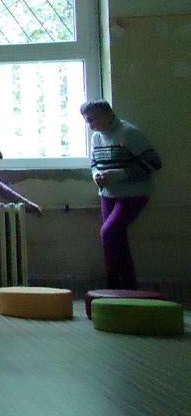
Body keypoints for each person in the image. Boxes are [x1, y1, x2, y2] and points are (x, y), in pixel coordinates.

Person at [82, 100, 162, 289]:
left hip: (134, 193)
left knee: (108, 233)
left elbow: (154, 163)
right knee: (118, 239)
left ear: (108, 114)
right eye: (87, 120)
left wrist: (117, 175)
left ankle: (114, 284)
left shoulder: (129, 133)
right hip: (107, 194)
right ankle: (128, 287)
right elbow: (94, 164)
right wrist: (96, 176)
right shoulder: (96, 138)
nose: (91, 125)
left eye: (93, 119)